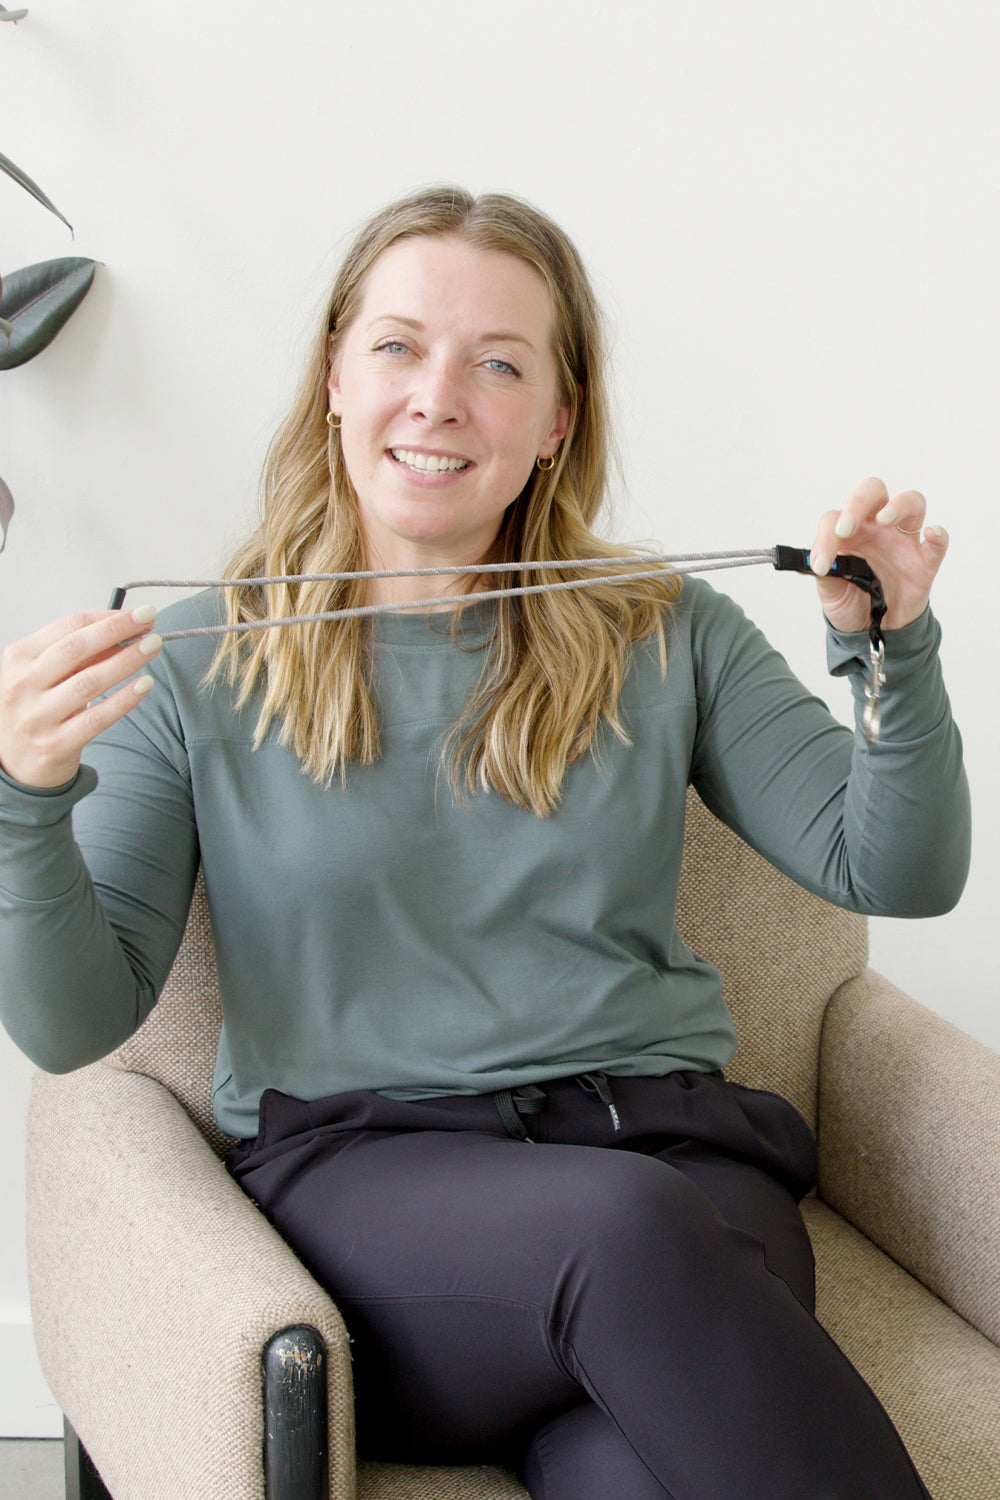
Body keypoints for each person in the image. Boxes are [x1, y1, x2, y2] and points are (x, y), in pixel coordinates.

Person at [0, 186, 970, 1499]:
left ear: (559, 419)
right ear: (334, 378)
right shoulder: (193, 662)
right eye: (398, 346)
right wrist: (22, 796)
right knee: (626, 1235)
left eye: (499, 365)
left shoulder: (667, 628)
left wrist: (895, 650)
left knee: (633, 1462)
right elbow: (72, 1026)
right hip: (377, 1199)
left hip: (677, 1164)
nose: (439, 398)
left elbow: (896, 870)